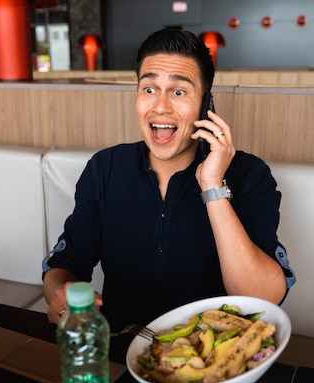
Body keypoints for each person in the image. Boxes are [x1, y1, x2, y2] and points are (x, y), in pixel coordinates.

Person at [42, 28, 295, 336]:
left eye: (178, 91)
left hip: (210, 358)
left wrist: (213, 187)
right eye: (149, 89)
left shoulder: (249, 175)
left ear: (206, 105)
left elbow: (262, 299)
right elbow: (65, 265)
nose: (160, 106)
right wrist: (59, 293)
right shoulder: (105, 168)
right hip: (121, 346)